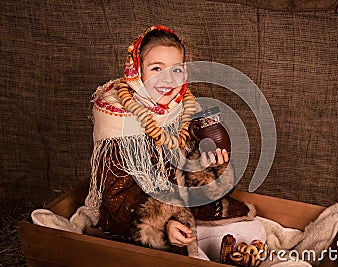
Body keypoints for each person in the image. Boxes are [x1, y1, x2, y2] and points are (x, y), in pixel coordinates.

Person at [80, 25, 264, 260]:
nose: (168, 79)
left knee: (253, 230)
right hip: (135, 222)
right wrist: (163, 225)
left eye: (176, 70)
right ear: (137, 71)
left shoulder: (182, 109)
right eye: (156, 68)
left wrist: (208, 166)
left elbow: (188, 170)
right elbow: (116, 197)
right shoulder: (117, 122)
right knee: (188, 255)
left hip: (184, 209)